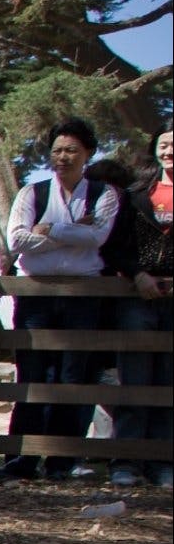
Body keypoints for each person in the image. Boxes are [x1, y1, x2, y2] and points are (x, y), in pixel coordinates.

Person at [2, 119, 121, 482]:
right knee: (33, 374)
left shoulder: (105, 194)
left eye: (71, 150)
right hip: (36, 292)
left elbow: (98, 237)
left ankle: (61, 459)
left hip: (81, 294)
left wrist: (49, 229)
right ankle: (21, 459)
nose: (63, 157)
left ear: (87, 153)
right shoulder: (31, 193)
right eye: (57, 150)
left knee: (74, 374)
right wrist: (73, 232)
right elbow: (17, 241)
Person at [110, 130, 173, 488]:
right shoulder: (135, 197)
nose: (169, 150)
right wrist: (137, 275)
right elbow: (116, 247)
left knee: (169, 381)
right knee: (133, 379)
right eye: (164, 144)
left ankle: (162, 463)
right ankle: (126, 462)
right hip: (138, 297)